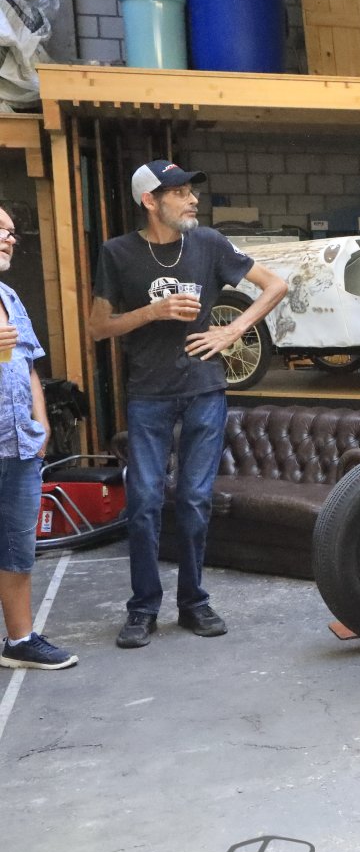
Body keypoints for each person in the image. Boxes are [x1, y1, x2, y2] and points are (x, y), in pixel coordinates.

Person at [87, 160, 289, 649]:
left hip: (204, 389)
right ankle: (143, 609)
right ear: (150, 201)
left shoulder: (210, 244)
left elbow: (276, 285)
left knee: (196, 500)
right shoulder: (117, 253)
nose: (192, 199)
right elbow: (97, 327)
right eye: (178, 192)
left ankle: (194, 602)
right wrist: (151, 312)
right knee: (144, 502)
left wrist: (233, 330)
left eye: (190, 191)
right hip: (148, 393)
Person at [0, 206, 78, 670]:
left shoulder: (9, 296)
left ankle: (19, 640)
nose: (10, 239)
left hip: (18, 447)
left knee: (16, 547)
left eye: (11, 232)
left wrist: (42, 421)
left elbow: (28, 365)